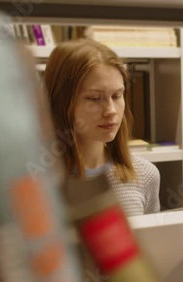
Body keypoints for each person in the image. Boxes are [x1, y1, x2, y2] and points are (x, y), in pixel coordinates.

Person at [44, 39, 160, 216]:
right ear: (61, 102)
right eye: (94, 98)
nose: (111, 111)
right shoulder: (35, 181)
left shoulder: (145, 174)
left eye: (117, 95)